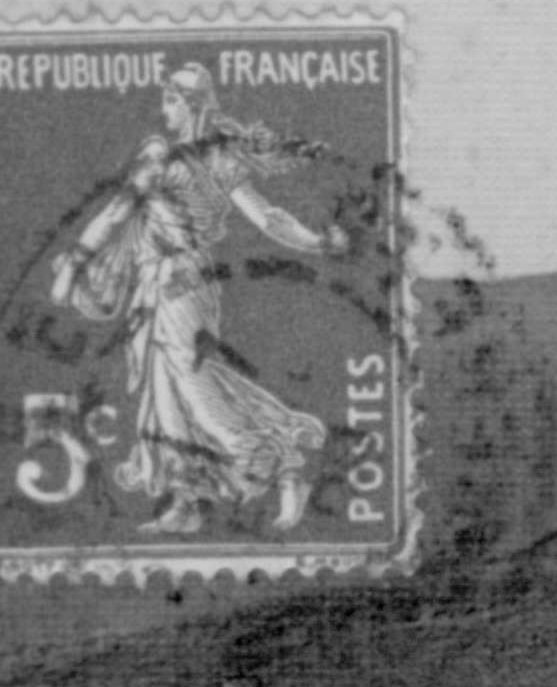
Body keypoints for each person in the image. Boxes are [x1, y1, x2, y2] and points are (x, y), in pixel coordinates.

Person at [51, 64, 345, 536]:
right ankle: (186, 502)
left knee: (192, 383)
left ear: (189, 105)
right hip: (176, 283)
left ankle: (278, 459)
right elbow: (269, 218)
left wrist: (73, 265)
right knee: (165, 389)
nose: (162, 109)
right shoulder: (220, 159)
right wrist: (317, 242)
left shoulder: (163, 157)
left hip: (177, 283)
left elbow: (115, 214)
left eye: (169, 99)